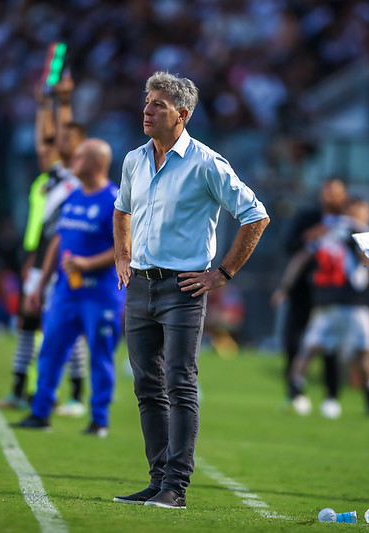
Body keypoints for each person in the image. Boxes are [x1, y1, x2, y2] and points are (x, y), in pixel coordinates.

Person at [113, 71, 269, 509]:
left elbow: (256, 216)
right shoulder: (133, 160)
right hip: (140, 286)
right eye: (147, 102)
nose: (146, 110)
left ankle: (175, 488)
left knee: (179, 383)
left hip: (184, 289)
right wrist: (122, 257)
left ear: (181, 115)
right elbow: (121, 209)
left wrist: (222, 274)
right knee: (147, 386)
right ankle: (157, 479)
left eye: (157, 105)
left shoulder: (207, 163)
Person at [13, 138, 124, 436]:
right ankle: (40, 412)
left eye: (79, 157)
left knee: (100, 356)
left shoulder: (115, 200)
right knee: (50, 350)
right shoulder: (73, 196)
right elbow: (58, 241)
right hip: (66, 292)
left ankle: (99, 419)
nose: (72, 161)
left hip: (100, 295)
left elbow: (124, 248)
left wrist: (88, 264)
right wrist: (40, 284)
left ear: (97, 163)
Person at [0, 77, 89, 414]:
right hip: (40, 259)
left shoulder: (79, 177)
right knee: (27, 321)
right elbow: (43, 142)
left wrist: (62, 102)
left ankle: (77, 395)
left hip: (66, 262)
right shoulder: (52, 177)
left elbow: (59, 136)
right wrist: (43, 105)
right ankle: (19, 389)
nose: (57, 141)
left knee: (69, 326)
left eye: (67, 138)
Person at [272, 179, 349, 414]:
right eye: (326, 190)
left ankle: (332, 396)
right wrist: (310, 236)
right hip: (304, 290)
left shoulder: (348, 222)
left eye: (335, 192)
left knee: (330, 345)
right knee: (293, 341)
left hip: (334, 292)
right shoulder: (309, 218)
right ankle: (295, 392)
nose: (329, 196)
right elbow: (289, 245)